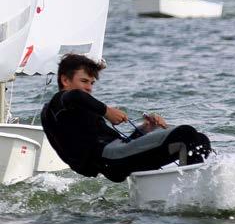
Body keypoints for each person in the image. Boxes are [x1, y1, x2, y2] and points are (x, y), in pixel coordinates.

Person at [41, 54, 211, 182]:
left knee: (199, 140)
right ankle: (190, 190)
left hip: (115, 159)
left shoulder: (78, 111)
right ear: (64, 80)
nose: (89, 88)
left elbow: (121, 144)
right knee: (185, 135)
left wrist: (145, 129)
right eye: (84, 81)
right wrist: (106, 111)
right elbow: (75, 96)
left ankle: (190, 185)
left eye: (92, 83)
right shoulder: (57, 104)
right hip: (108, 160)